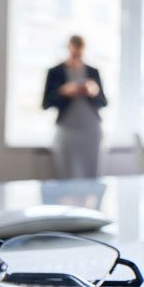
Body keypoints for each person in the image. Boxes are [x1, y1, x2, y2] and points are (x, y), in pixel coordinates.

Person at [42, 35, 107, 179]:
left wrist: (93, 92)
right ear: (68, 49)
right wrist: (64, 91)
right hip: (67, 129)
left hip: (91, 128)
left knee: (92, 174)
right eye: (74, 53)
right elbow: (46, 103)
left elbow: (103, 102)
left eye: (80, 54)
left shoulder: (92, 72)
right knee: (66, 173)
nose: (77, 57)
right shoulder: (55, 72)